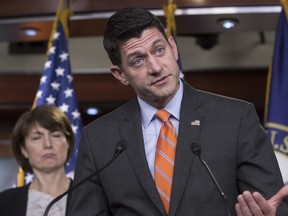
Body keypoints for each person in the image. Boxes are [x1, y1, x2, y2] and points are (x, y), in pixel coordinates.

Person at [68, 7, 288, 216]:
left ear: (173, 47)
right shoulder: (98, 139)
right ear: (120, 74)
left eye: (159, 50)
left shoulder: (236, 118)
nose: (155, 67)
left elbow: (273, 204)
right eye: (137, 61)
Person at [0, 105, 74, 216]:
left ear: (68, 143)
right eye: (37, 138)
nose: (48, 144)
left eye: (56, 135)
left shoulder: (92, 196)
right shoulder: (5, 202)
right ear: (23, 149)